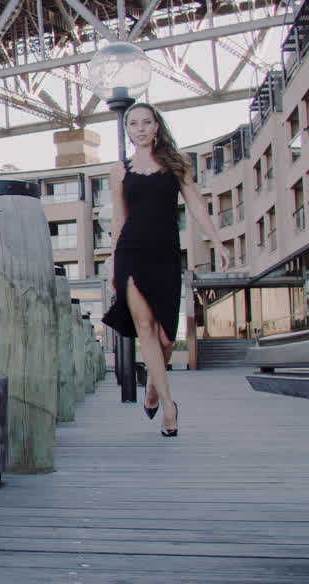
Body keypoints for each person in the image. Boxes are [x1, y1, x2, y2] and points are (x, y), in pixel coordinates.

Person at [102, 102, 228, 437]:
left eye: (146, 122)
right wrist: (115, 263)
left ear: (157, 126)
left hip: (165, 254)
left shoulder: (177, 163)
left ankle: (154, 388)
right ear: (127, 130)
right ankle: (169, 408)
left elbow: (196, 204)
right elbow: (119, 218)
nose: (140, 129)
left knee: (166, 337)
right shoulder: (120, 171)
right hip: (131, 253)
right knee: (144, 328)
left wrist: (216, 241)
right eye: (133, 124)